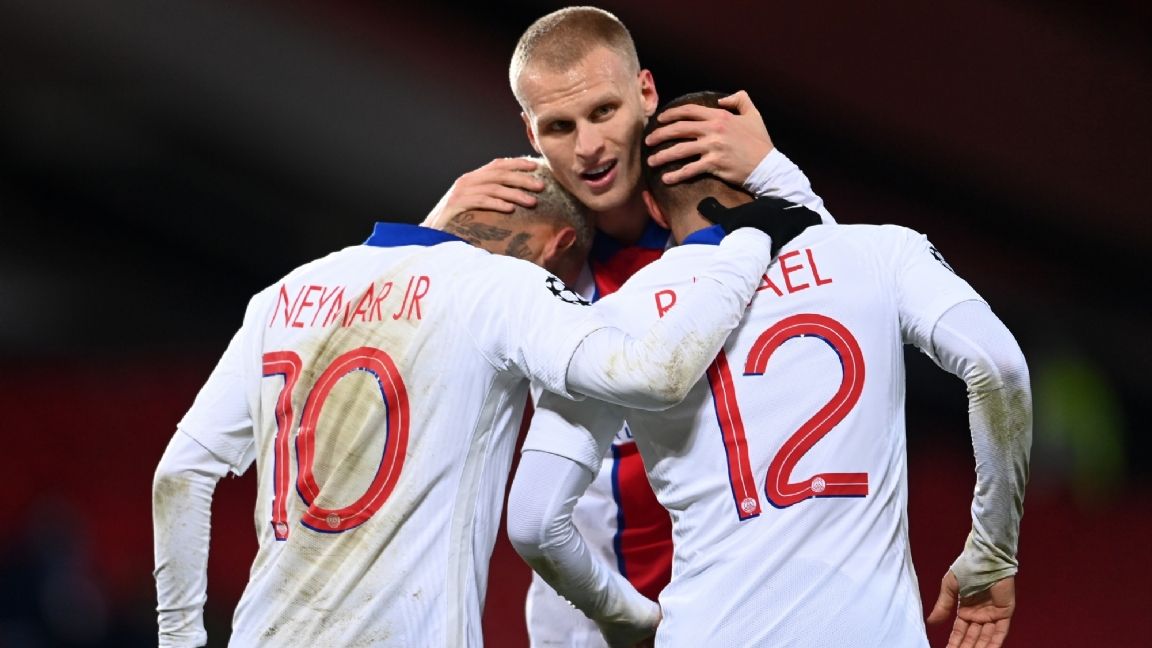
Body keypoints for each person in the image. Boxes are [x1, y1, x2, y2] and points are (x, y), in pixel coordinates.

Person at [150, 158, 799, 647]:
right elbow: (654, 373)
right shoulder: (502, 288)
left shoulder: (284, 295)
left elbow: (180, 474)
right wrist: (745, 243)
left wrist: (179, 639)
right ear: (559, 246)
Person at [506, 92, 1032, 648]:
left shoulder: (613, 320)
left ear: (655, 209)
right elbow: (999, 366)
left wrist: (624, 615)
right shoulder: (879, 252)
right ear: (757, 170)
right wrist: (992, 550)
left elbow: (535, 522)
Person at [424, 8, 838, 646]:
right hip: (596, 624)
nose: (588, 147)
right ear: (531, 132)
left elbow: (844, 300)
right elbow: (395, 363)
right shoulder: (528, 250)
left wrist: (774, 173)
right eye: (560, 126)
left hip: (746, 610)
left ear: (646, 92)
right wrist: (431, 238)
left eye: (603, 111)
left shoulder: (728, 213)